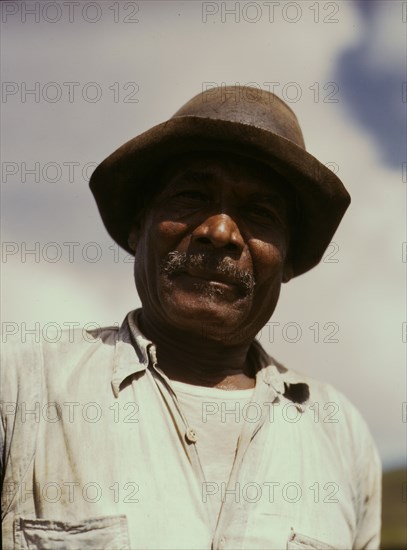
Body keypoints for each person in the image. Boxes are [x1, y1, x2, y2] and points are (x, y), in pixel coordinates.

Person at [1, 85, 381, 549]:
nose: (219, 232)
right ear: (139, 225)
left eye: (259, 212)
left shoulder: (340, 432)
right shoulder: (21, 391)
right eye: (191, 196)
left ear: (288, 260)